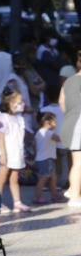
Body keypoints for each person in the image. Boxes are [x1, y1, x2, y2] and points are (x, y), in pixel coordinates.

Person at [0, 88, 30, 214]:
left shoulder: (19, 118)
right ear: (9, 103)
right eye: (19, 101)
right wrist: (3, 155)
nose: (22, 104)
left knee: (15, 179)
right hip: (7, 153)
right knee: (1, 179)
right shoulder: (3, 118)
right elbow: (1, 137)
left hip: (17, 152)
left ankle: (17, 202)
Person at [58, 56, 81, 208]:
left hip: (70, 121)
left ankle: (74, 190)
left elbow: (61, 102)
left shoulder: (68, 80)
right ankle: (75, 195)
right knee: (79, 161)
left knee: (76, 160)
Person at [34, 112, 62, 204]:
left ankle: (55, 195)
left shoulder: (39, 132)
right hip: (45, 160)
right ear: (47, 122)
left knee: (53, 177)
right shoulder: (49, 133)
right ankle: (38, 197)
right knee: (44, 179)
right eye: (54, 122)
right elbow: (59, 139)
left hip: (45, 159)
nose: (56, 124)